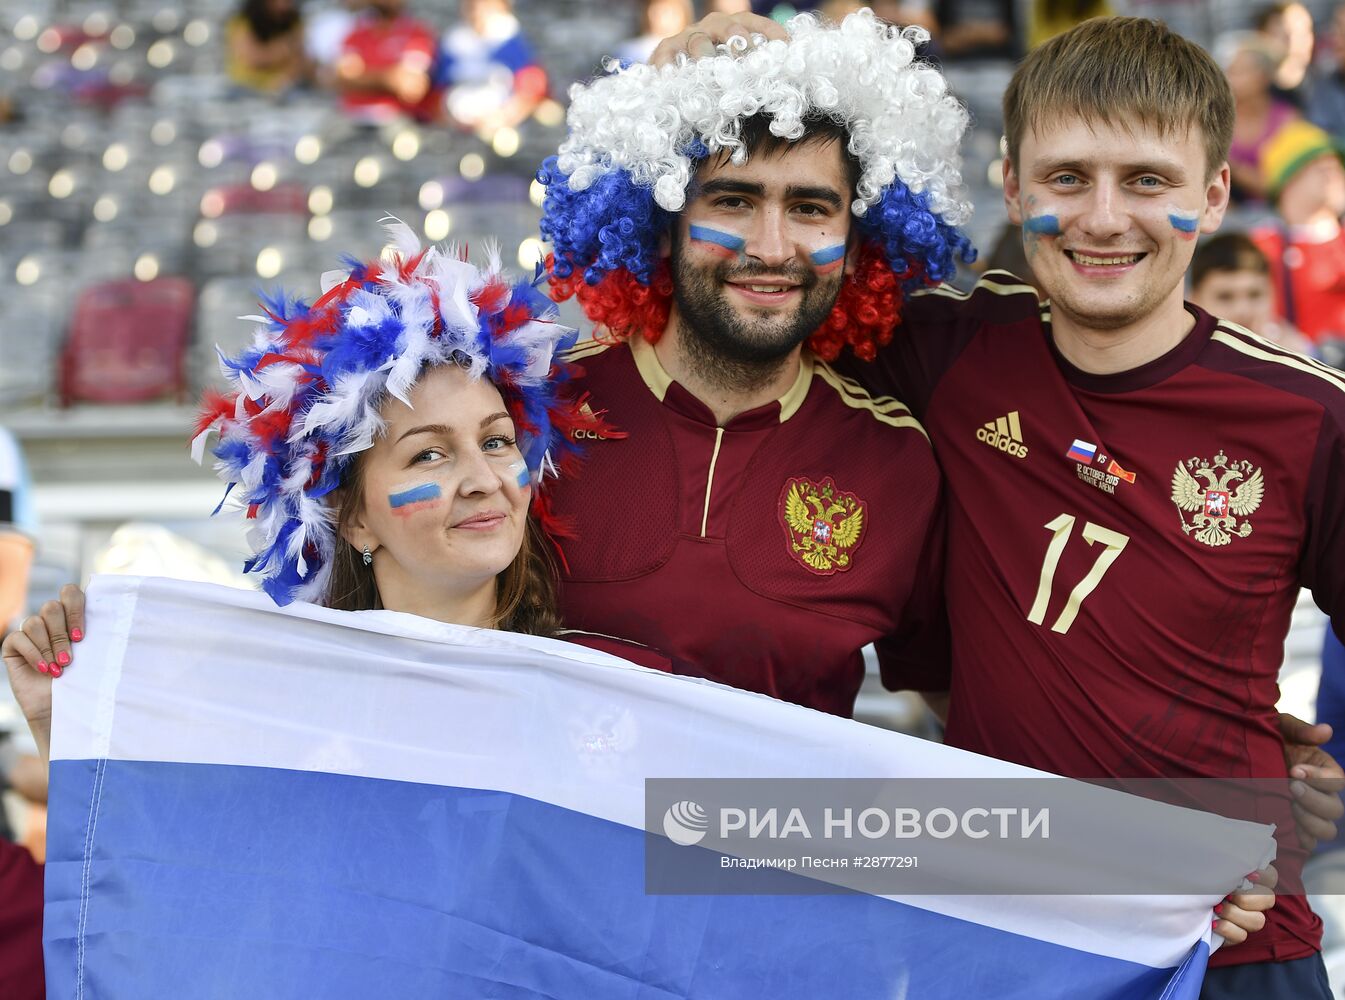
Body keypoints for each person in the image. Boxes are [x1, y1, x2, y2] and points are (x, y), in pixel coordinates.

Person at [645, 11, 1345, 994]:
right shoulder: (942, 351)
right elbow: (750, 281)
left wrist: (1310, 785)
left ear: (1215, 193)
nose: (1103, 218)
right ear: (1011, 186)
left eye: (1146, 180)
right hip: (998, 935)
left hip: (1233, 944)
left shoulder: (1308, 418)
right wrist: (730, 49)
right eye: (1066, 179)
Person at [3, 228, 658, 756]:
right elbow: (175, 883)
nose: (483, 480)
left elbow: (714, 872)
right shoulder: (268, 714)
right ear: (352, 519)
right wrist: (61, 729)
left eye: (494, 441)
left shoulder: (610, 695)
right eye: (428, 453)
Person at [537, 10, 966, 720]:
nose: (771, 248)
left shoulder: (899, 459)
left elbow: (952, 695)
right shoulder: (529, 412)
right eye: (733, 201)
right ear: (661, 223)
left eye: (809, 207)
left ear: (858, 243)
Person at [1251, 120, 1345, 345]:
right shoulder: (1262, 246)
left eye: (1338, 166)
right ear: (1288, 183)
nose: (1336, 174)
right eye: (1322, 168)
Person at [435, 0, 547, 134]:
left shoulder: (510, 41)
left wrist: (506, 116)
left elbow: (531, 84)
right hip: (459, 117)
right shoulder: (454, 42)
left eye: (487, 6)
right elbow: (439, 86)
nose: (479, 11)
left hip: (504, 117)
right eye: (473, 6)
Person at [1189, 232, 1311, 352]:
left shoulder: (1301, 357)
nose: (1242, 310)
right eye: (1225, 297)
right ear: (1194, 300)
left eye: (1255, 294)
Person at [1218, 30, 1300, 203]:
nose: (1229, 78)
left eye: (1239, 71)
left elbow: (1279, 186)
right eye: (1230, 71)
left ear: (1263, 77)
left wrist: (1233, 165)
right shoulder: (1217, 118)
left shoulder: (1287, 120)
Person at [333, 0, 438, 123]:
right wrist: (388, 78)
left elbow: (411, 87)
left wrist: (363, 76)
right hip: (352, 117)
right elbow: (343, 78)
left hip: (398, 118)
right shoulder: (356, 33)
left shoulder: (418, 33)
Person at [225, 0, 310, 95]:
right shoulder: (242, 21)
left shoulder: (294, 21)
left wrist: (284, 78)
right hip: (246, 86)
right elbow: (253, 58)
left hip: (284, 87)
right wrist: (285, 47)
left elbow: (300, 58)